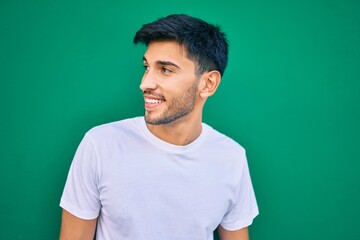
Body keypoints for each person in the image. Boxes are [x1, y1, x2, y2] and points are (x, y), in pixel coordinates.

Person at [59, 14, 258, 240]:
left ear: (208, 83)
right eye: (147, 67)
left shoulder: (231, 158)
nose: (144, 83)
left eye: (165, 70)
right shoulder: (101, 145)